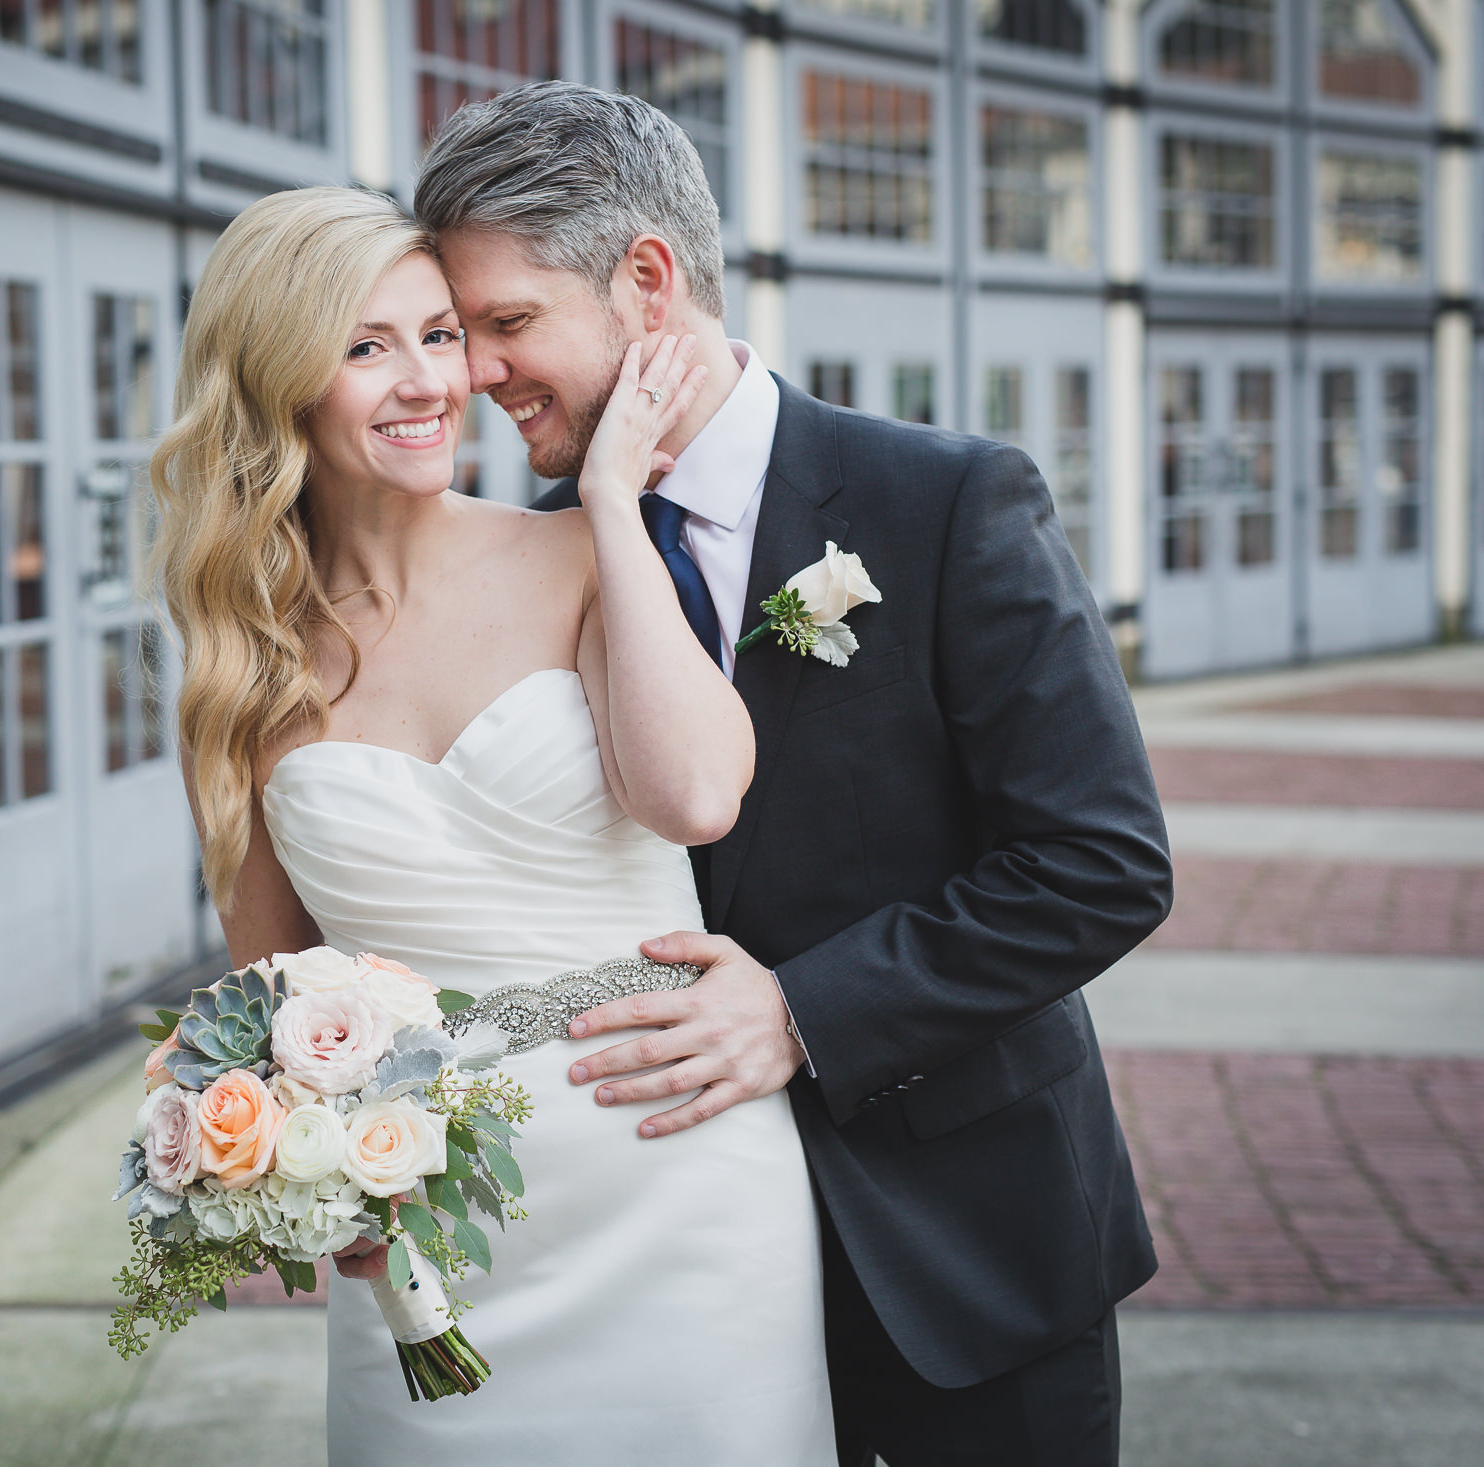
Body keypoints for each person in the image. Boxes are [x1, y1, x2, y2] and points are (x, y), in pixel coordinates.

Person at [413, 81, 1173, 1466]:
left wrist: (805, 1011)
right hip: (666, 1276)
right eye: (462, 332)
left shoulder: (944, 502)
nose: (472, 373)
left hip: (968, 1253)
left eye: (506, 323)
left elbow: (1101, 863)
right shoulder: (535, 558)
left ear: (648, 283)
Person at [151, 185, 836, 1462]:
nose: (426, 383)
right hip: (429, 1215)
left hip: (676, 1163)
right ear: (277, 382)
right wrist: (304, 1176)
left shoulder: (581, 552)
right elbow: (270, 994)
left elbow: (692, 797)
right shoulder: (240, 673)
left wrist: (618, 503)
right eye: (366, 346)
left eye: (440, 335)